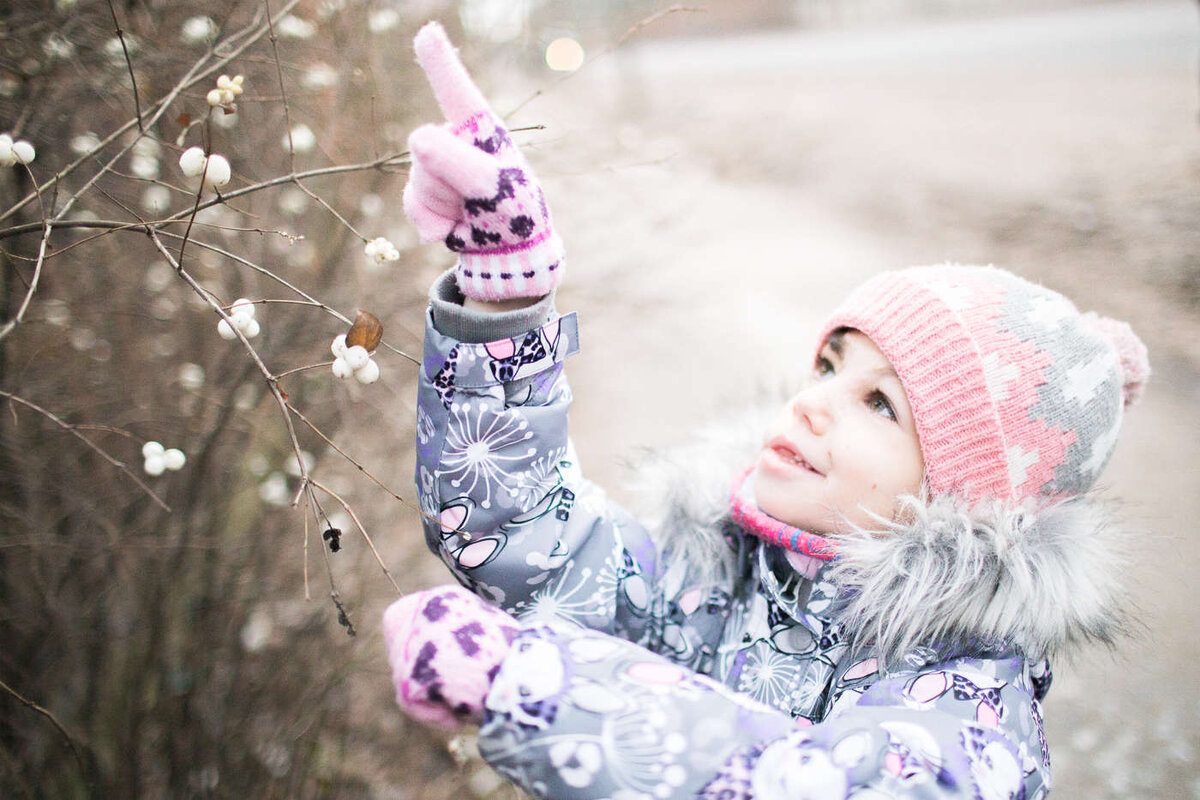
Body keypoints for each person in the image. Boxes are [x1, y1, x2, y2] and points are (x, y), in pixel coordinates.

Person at [382, 22, 1150, 800]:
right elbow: (523, 537)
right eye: (827, 366)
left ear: (966, 498)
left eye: (880, 402)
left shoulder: (968, 712)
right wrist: (504, 301)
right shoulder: (719, 580)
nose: (812, 402)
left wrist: (538, 689)